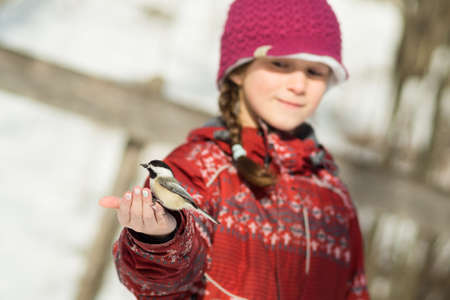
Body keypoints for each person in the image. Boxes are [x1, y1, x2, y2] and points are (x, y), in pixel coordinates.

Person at [99, 0, 370, 299]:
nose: (298, 84)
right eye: (280, 64)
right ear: (239, 71)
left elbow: (355, 290)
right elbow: (159, 282)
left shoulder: (334, 197)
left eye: (315, 72)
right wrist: (163, 236)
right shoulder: (200, 167)